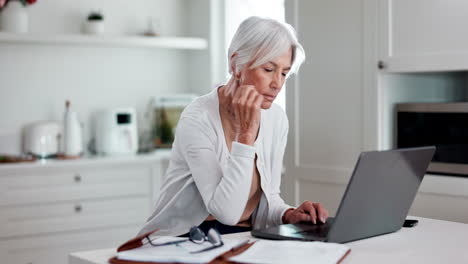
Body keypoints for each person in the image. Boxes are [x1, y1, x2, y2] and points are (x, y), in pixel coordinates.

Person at [138, 16, 329, 237]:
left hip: (243, 237)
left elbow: (268, 200)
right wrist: (246, 135)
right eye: (268, 69)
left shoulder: (276, 119)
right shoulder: (197, 118)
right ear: (235, 64)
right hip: (183, 239)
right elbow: (226, 213)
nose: (277, 83)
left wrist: (288, 214)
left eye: (284, 72)